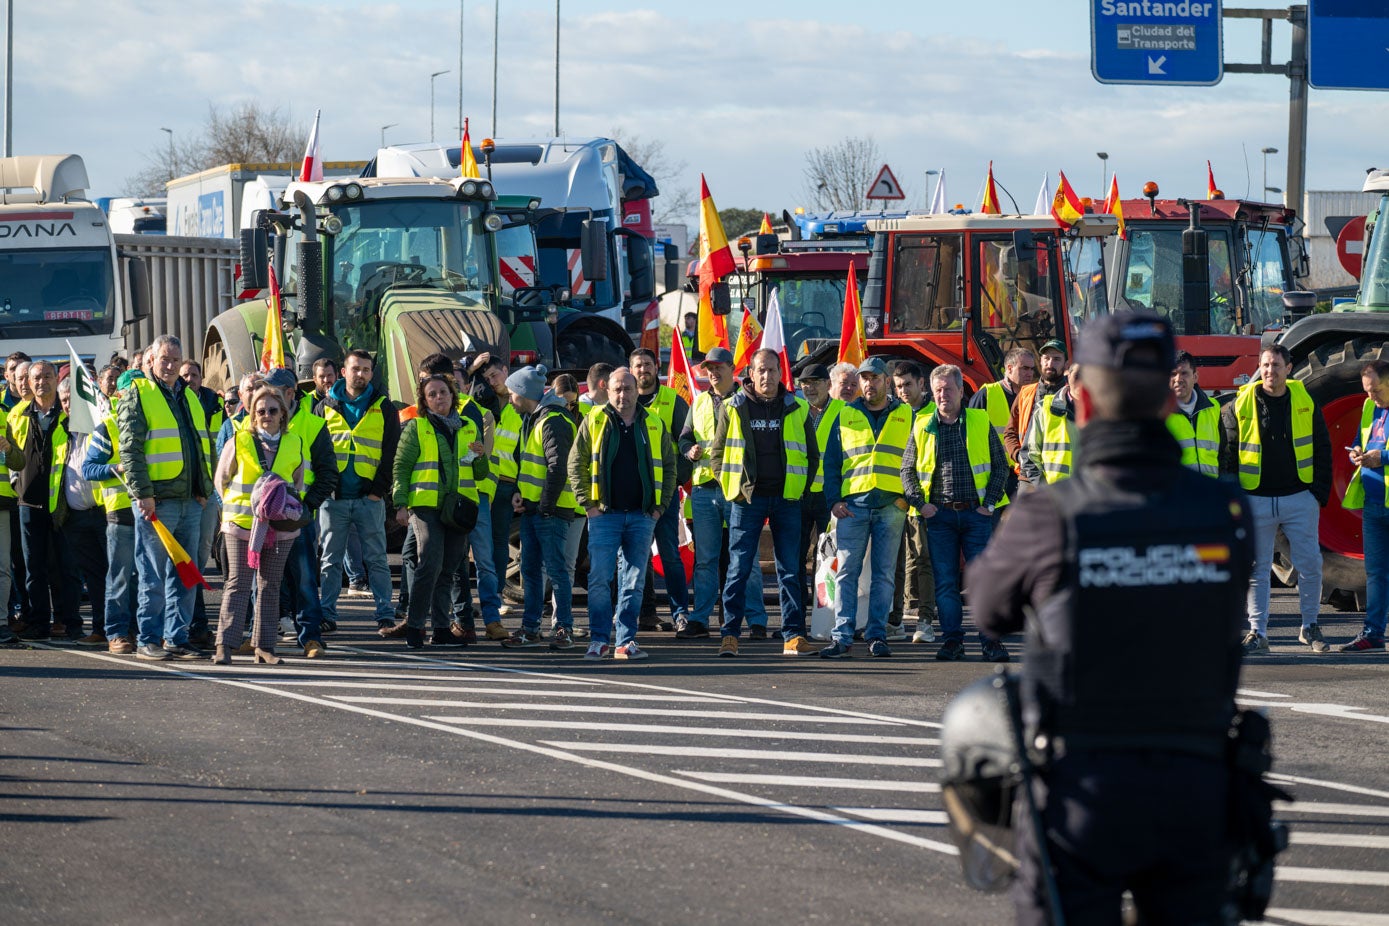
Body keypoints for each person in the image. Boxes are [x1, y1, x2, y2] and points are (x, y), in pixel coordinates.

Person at [968, 311, 1253, 926]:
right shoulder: (1224, 509)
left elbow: (988, 608)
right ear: (1169, 398)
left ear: (1085, 397)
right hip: (1197, 784)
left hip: (1083, 791)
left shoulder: (1052, 514)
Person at [1221, 344, 1331, 655]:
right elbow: (1228, 453)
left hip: (1299, 497)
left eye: (1276, 365)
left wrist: (1317, 494)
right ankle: (1258, 632)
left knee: (1310, 564)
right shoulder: (1241, 404)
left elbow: (1323, 446)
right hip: (1255, 499)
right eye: (1266, 365)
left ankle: (1310, 627)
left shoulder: (1304, 399)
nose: (1270, 371)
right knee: (1257, 568)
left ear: (1289, 368)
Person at [711, 348, 819, 656]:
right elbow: (717, 455)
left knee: (790, 570)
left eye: (772, 370)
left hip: (787, 499)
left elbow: (812, 456)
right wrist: (731, 487)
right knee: (738, 569)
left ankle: (794, 636)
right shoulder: (733, 407)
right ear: (750, 373)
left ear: (780, 373)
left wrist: (799, 487)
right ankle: (730, 635)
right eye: (760, 370)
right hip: (748, 500)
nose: (766, 376)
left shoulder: (797, 407)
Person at [902, 364, 1010, 662]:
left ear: (962, 392)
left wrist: (988, 504)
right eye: (937, 390)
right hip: (941, 518)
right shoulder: (922, 424)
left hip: (977, 516)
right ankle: (952, 641)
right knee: (946, 582)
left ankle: (991, 642)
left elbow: (1001, 466)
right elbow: (907, 470)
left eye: (948, 389)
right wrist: (921, 505)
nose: (942, 395)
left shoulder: (979, 419)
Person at [118, 335, 214, 661]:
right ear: (151, 361)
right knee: (153, 577)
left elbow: (204, 447)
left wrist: (204, 491)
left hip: (190, 502)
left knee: (186, 576)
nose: (170, 365)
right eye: (164, 359)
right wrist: (143, 495)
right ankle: (149, 639)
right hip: (156, 503)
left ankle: (177, 638)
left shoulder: (190, 397)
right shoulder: (137, 394)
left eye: (176, 359)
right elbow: (129, 450)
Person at [569, 366, 676, 660]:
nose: (622, 394)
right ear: (607, 390)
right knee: (600, 580)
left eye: (627, 388)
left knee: (633, 582)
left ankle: (625, 642)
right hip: (604, 516)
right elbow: (575, 464)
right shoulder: (593, 421)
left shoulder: (653, 422)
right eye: (616, 389)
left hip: (642, 517)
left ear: (636, 390)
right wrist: (588, 505)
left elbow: (669, 467)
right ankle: (599, 639)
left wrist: (659, 508)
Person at [819, 357, 914, 658]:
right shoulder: (846, 415)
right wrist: (834, 500)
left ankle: (876, 634)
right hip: (853, 507)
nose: (868, 384)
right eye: (864, 379)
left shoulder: (906, 415)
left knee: (884, 575)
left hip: (891, 505)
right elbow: (831, 462)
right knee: (846, 572)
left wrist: (907, 499)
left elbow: (918, 460)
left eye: (874, 378)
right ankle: (842, 636)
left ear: (887, 381)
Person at [212, 384, 308, 665]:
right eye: (260, 410)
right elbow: (221, 480)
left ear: (283, 414)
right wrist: (233, 511)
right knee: (237, 584)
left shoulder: (295, 442)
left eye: (272, 410)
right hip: (240, 524)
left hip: (279, 528)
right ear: (252, 415)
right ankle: (224, 645)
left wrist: (279, 505)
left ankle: (264, 648)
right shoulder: (238, 441)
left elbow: (299, 482)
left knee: (270, 586)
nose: (266, 415)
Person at [677, 346, 768, 638]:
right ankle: (700, 619)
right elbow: (685, 437)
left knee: (746, 558)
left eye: (718, 368)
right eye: (709, 369)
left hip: (738, 491)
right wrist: (688, 450)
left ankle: (756, 620)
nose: (713, 373)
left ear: (733, 370)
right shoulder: (699, 402)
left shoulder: (747, 401)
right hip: (704, 491)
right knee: (705, 559)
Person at [390, 373, 485, 649]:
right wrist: (400, 504)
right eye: (432, 394)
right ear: (424, 400)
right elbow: (401, 467)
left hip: (458, 509)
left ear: (452, 395)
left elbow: (479, 472)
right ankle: (416, 626)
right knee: (429, 562)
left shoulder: (468, 426)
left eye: (443, 392)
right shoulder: (416, 427)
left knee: (449, 567)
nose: (438, 398)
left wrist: (481, 457)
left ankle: (441, 628)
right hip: (426, 505)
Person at [317, 349, 401, 634]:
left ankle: (385, 615)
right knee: (330, 561)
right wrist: (324, 489)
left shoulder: (384, 407)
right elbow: (316, 452)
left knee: (377, 560)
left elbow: (391, 453)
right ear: (344, 372)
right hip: (334, 499)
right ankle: (327, 614)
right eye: (355, 369)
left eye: (366, 370)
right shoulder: (323, 406)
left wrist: (379, 491)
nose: (361, 374)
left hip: (369, 499)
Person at [504, 365, 581, 649]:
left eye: (513, 393)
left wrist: (544, 506)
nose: (510, 398)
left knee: (555, 572)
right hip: (537, 509)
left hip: (550, 510)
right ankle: (531, 628)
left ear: (524, 393)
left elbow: (557, 467)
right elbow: (533, 465)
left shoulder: (551, 420)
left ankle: (563, 628)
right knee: (533, 570)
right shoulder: (537, 419)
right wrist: (520, 494)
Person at [5, 361, 82, 642]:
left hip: (61, 501)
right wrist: (16, 483)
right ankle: (39, 622)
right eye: (36, 378)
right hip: (28, 502)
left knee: (65, 566)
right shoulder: (17, 415)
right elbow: (10, 457)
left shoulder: (70, 413)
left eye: (47, 377)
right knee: (33, 568)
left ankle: (70, 621)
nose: (41, 383)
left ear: (55, 379)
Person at [273, 366, 338, 655]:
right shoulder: (261, 421)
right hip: (263, 517)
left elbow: (327, 474)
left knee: (304, 579)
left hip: (297, 517)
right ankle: (257, 634)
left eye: (273, 392)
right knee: (261, 581)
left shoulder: (313, 425)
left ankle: (311, 636)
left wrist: (306, 506)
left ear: (289, 393)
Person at [630, 347, 690, 631]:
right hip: (631, 496)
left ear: (657, 367)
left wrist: (675, 479)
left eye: (647, 364)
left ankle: (680, 614)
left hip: (663, 496)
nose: (643, 370)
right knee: (634, 556)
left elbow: (688, 445)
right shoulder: (623, 400)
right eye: (638, 365)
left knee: (669, 555)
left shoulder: (672, 401)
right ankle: (642, 613)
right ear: (631, 370)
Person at [55, 377, 110, 647]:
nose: (67, 406)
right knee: (93, 575)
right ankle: (100, 628)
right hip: (74, 517)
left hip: (103, 512)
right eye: (63, 401)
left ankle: (123, 629)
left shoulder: (100, 426)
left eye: (71, 401)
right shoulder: (61, 431)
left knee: (117, 573)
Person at [82, 402, 139, 653]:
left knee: (148, 577)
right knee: (121, 576)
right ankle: (116, 632)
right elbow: (89, 468)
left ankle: (143, 631)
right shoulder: (108, 427)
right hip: (121, 513)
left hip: (153, 512)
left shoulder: (155, 423)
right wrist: (116, 468)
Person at [1341, 359, 1389, 653]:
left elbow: (1381, 453)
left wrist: (1380, 458)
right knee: (1375, 573)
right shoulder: (1369, 406)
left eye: (1376, 390)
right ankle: (1373, 634)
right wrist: (1356, 453)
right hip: (1374, 503)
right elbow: (1360, 440)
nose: (1371, 397)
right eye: (1367, 391)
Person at [888, 359, 936, 643]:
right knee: (895, 563)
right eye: (898, 386)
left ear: (921, 383)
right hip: (894, 497)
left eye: (908, 384)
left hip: (922, 499)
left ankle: (925, 619)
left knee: (923, 559)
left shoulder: (934, 414)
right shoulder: (895, 414)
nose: (903, 391)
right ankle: (895, 619)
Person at [179, 358, 225, 647]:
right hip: (188, 494)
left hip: (212, 494)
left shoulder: (216, 406)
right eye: (186, 375)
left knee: (203, 554)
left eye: (194, 374)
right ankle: (194, 623)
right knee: (190, 560)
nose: (190, 379)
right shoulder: (176, 405)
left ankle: (195, 622)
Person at [968, 347, 1035, 531]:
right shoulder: (986, 394)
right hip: (994, 478)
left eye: (1031, 369)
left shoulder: (1034, 397)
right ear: (1009, 368)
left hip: (1022, 475)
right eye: (1024, 368)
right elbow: (970, 437)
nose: (1029, 373)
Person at [795, 363, 842, 613]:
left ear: (828, 384)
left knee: (827, 555)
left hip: (829, 495)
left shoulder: (844, 411)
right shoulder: (795, 409)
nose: (809, 388)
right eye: (804, 383)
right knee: (796, 553)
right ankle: (799, 608)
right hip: (799, 494)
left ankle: (824, 608)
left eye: (814, 382)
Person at [1004, 339, 1068, 494]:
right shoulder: (1026, 393)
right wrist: (1019, 456)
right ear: (1041, 361)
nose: (1050, 363)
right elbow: (1010, 432)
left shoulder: (1072, 394)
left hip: (1063, 480)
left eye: (1056, 359)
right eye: (1046, 358)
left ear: (1066, 364)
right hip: (1028, 478)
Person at [1167, 350, 1223, 477]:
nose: (1178, 379)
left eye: (1184, 373)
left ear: (1195, 377)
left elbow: (1224, 454)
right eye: (1173, 374)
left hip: (1209, 492)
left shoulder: (1213, 408)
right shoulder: (1158, 414)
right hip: (1177, 494)